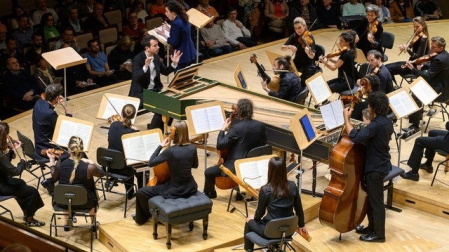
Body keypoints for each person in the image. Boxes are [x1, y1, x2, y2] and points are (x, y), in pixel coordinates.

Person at [343, 91, 393, 243]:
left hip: (375, 168)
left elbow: (356, 137)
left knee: (376, 203)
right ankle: (372, 228)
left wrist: (346, 119)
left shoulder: (376, 125)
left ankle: (379, 235)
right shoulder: (386, 121)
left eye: (370, 105)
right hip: (381, 164)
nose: (368, 107)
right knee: (371, 200)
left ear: (374, 108)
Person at [134, 120, 199, 225]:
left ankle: (142, 218)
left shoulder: (170, 151)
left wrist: (160, 146)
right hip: (190, 187)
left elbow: (151, 163)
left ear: (175, 134)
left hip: (175, 190)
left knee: (141, 192)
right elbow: (195, 165)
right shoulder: (192, 148)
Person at [203, 98, 266, 199]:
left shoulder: (236, 128)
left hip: (235, 167)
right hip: (252, 165)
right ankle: (240, 193)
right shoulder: (260, 126)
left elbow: (220, 145)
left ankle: (210, 193)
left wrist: (222, 129)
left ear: (239, 112)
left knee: (208, 172)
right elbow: (263, 143)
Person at [244, 156, 307, 251]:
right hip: (289, 230)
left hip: (270, 231)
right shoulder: (293, 186)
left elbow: (259, 214)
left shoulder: (265, 189)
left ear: (270, 170)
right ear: (284, 170)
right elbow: (299, 209)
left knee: (248, 221)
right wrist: (301, 225)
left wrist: (252, 218)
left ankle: (248, 250)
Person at [47, 136, 106, 231]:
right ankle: (93, 223)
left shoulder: (61, 162)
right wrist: (92, 162)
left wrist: (52, 161)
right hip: (85, 203)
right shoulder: (89, 167)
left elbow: (54, 177)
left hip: (62, 202)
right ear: (82, 149)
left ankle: (66, 224)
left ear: (68, 149)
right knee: (90, 190)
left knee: (66, 192)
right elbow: (103, 173)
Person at [128, 35, 181, 131]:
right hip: (141, 93)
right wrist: (145, 67)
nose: (158, 47)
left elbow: (165, 71)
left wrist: (174, 63)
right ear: (147, 48)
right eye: (155, 45)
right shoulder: (138, 59)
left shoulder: (156, 57)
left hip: (154, 90)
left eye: (158, 45)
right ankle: (153, 130)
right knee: (160, 108)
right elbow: (136, 77)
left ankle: (161, 127)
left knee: (172, 104)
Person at [0, 122, 45, 227]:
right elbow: (15, 171)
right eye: (6, 135)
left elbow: (4, 167)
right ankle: (30, 218)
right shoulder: (0, 156)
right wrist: (23, 162)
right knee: (32, 191)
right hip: (1, 186)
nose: (8, 137)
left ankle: (26, 212)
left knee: (21, 183)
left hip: (2, 180)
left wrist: (11, 151)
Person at [403, 36, 449, 131]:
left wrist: (413, 69)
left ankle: (415, 126)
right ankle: (417, 115)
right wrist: (425, 66)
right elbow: (434, 68)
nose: (431, 49)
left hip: (440, 92)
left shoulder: (439, 59)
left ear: (441, 48)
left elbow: (428, 76)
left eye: (434, 47)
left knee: (414, 95)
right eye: (431, 46)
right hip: (443, 85)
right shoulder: (445, 54)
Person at [33, 84, 72, 193]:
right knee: (70, 153)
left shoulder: (39, 102)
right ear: (56, 98)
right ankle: (52, 181)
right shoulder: (50, 113)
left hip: (39, 143)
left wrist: (54, 103)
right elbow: (63, 128)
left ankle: (58, 178)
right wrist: (68, 115)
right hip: (45, 149)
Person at [107, 104, 143, 195]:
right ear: (134, 116)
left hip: (110, 164)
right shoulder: (133, 132)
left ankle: (130, 192)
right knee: (142, 166)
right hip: (124, 168)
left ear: (121, 113)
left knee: (124, 157)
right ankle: (141, 193)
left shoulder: (113, 125)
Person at [157, 1, 197, 69]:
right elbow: (181, 34)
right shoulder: (183, 18)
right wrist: (170, 29)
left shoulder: (175, 23)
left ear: (173, 12)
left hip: (182, 56)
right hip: (190, 53)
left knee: (180, 78)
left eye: (167, 11)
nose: (165, 14)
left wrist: (163, 34)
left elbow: (174, 42)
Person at [282, 17, 317, 88]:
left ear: (305, 26)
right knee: (286, 76)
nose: (298, 30)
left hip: (308, 65)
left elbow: (312, 56)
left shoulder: (309, 36)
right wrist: (289, 46)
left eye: (300, 27)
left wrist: (308, 52)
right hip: (297, 62)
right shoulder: (294, 35)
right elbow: (282, 48)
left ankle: (300, 96)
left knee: (303, 84)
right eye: (296, 28)